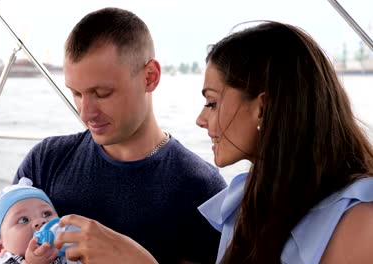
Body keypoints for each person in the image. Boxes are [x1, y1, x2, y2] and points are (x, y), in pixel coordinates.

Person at [54, 21, 373, 263]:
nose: (201, 120)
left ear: (262, 107)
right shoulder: (247, 199)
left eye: (212, 103)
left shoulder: (360, 221)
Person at [0, 7, 227, 264]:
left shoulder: (200, 188)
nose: (86, 113)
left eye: (101, 93)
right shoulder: (46, 161)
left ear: (149, 77)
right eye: (76, 93)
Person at [0, 177, 61, 264]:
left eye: (46, 214)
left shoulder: (68, 247)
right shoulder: (8, 261)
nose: (40, 221)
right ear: (2, 248)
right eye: (24, 220)